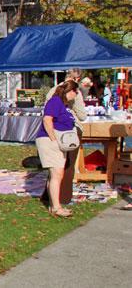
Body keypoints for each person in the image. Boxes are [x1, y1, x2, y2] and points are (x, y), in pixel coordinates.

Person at [40, 69, 86, 205]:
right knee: (67, 166)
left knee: (54, 167)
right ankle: (62, 198)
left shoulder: (52, 91)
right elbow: (82, 115)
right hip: (68, 131)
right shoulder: (73, 92)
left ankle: (50, 197)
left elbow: (46, 113)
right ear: (76, 79)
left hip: (54, 130)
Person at [36, 80, 79, 217]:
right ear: (68, 91)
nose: (76, 94)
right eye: (75, 91)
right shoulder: (55, 101)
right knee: (57, 174)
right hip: (51, 141)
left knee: (56, 174)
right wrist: (53, 139)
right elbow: (47, 119)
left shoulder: (64, 104)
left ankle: (54, 204)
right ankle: (56, 207)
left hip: (59, 141)